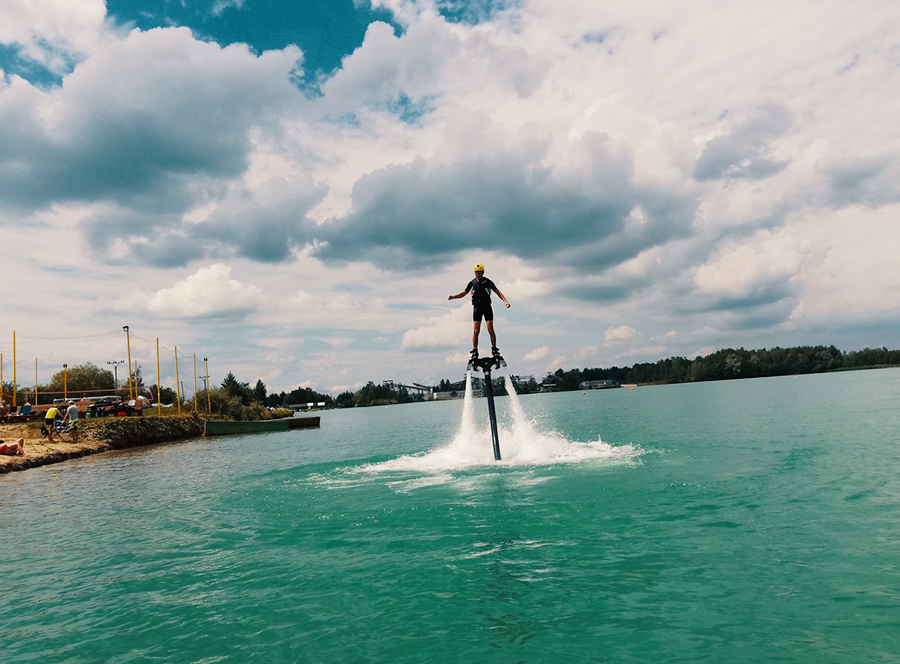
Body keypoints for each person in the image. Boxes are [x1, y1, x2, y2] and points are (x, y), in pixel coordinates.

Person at [448, 263, 510, 361]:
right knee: (476, 330)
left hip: (487, 307)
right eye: (476, 273)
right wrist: (453, 297)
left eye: (479, 273)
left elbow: (497, 292)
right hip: (477, 308)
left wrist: (505, 301)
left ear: (482, 273)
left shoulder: (488, 282)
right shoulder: (472, 283)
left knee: (490, 329)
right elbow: (464, 293)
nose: (477, 274)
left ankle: (494, 349)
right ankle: (475, 351)